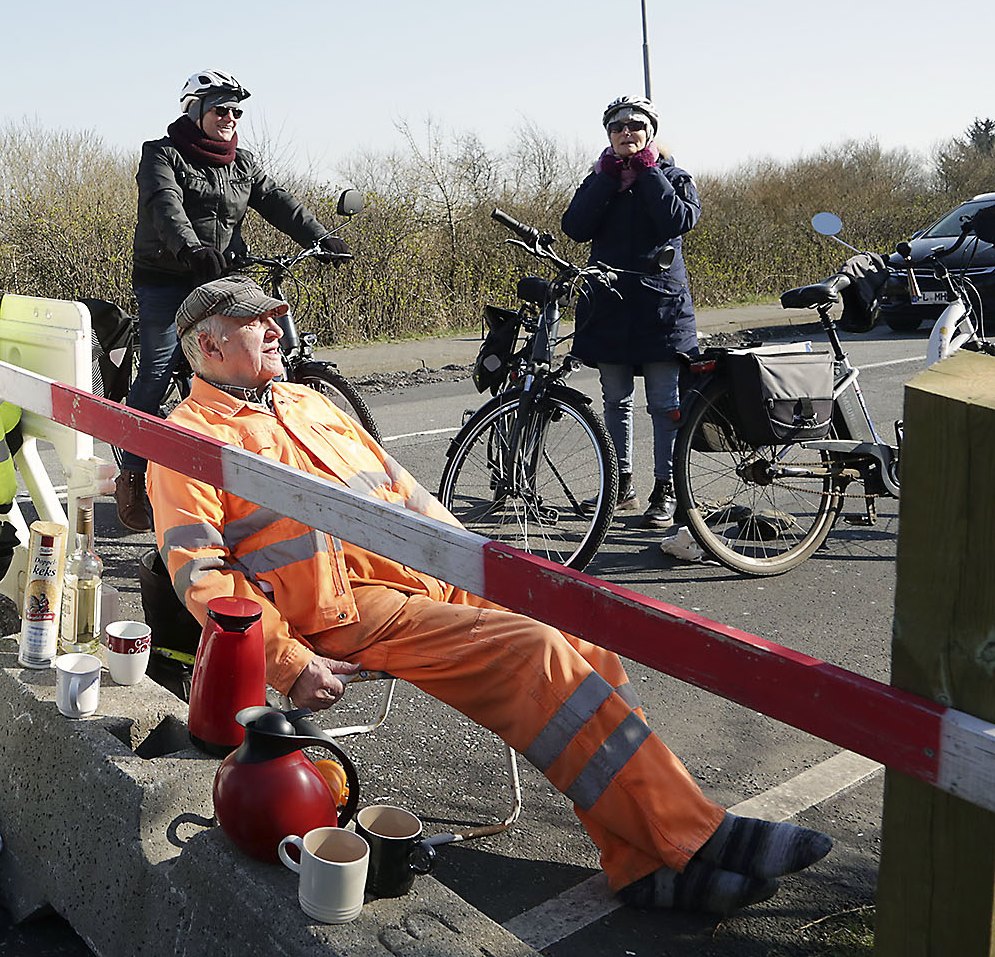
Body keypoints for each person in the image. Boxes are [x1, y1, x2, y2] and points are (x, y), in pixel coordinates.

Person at [148, 276, 832, 914]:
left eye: (274, 316)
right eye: (253, 322)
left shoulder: (308, 400)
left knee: (581, 636)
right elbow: (203, 576)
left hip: (432, 581)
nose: (275, 328)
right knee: (533, 651)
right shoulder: (184, 440)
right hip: (347, 613)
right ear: (208, 344)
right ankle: (698, 839)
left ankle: (643, 860)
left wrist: (478, 566)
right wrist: (290, 665)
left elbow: (406, 490)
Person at [114, 67, 350, 533]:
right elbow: (165, 206)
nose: (231, 118)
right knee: (159, 367)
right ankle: (133, 471)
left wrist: (322, 237)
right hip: (166, 274)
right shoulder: (161, 155)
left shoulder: (243, 163)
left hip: (223, 273)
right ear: (195, 111)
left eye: (236, 111)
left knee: (262, 344)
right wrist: (188, 249)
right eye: (221, 109)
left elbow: (279, 202)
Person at [560, 95, 701, 532]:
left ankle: (667, 489)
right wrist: (607, 179)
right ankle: (619, 485)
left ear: (651, 132)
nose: (626, 132)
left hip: (661, 308)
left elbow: (676, 220)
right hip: (611, 307)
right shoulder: (599, 178)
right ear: (608, 135)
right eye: (617, 127)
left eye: (635, 125)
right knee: (615, 402)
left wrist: (647, 171)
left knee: (665, 405)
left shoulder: (673, 177)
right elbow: (575, 227)